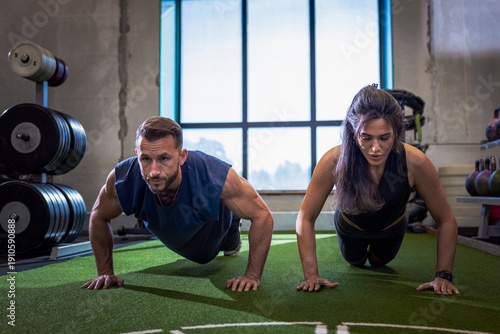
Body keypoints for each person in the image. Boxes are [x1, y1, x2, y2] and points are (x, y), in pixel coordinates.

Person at [295, 85, 460, 295]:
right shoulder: (334, 160)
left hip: (391, 229)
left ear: (397, 132)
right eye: (366, 137)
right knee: (356, 262)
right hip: (350, 227)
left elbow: (446, 219)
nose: (375, 148)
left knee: (378, 263)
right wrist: (311, 275)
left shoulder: (415, 162)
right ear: (354, 134)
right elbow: (305, 217)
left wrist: (443, 275)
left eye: (384, 138)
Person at [81, 116, 273, 292]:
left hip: (215, 233)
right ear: (137, 154)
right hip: (172, 230)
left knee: (228, 240)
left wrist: (252, 275)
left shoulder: (213, 175)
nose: (154, 171)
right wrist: (105, 271)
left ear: (182, 156)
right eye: (146, 159)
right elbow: (99, 215)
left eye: (164, 158)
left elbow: (262, 215)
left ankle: (233, 228)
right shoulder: (123, 179)